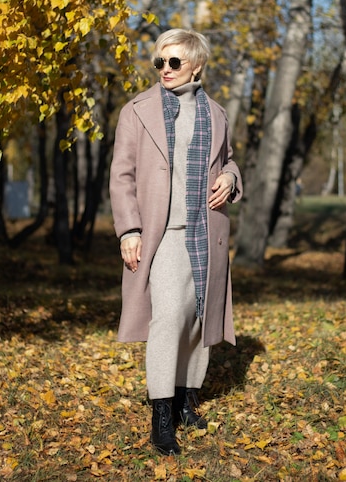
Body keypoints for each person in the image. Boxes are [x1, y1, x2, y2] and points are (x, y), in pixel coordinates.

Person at [109, 28, 243, 456]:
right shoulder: (137, 111)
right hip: (160, 233)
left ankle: (187, 398)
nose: (164, 70)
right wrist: (129, 229)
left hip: (206, 230)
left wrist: (230, 177)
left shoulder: (216, 113)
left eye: (174, 62)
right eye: (159, 63)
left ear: (196, 65)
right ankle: (161, 414)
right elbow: (122, 175)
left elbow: (230, 160)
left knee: (197, 318)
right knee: (167, 317)